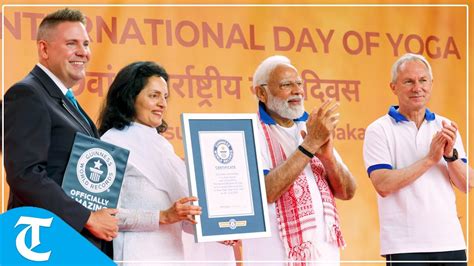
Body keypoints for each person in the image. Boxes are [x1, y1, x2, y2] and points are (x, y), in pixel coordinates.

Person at [4, 8, 118, 257]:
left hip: (76, 242)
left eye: (86, 44)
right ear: (44, 49)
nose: (83, 52)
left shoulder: (63, 100)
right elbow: (25, 174)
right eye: (71, 43)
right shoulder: (27, 94)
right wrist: (87, 217)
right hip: (44, 243)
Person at [98, 61, 235, 263]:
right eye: (154, 96)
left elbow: (181, 214)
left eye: (165, 96)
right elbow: (104, 217)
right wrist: (162, 216)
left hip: (174, 255)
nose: (163, 103)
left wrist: (216, 228)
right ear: (129, 98)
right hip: (136, 256)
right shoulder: (110, 144)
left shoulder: (163, 146)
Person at [243, 55, 357, 264]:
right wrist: (310, 145)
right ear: (261, 92)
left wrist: (328, 158)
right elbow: (266, 192)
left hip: (325, 257)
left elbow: (348, 192)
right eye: (287, 84)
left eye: (299, 84)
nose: (297, 91)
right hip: (275, 257)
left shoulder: (309, 127)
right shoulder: (249, 131)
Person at [363, 53, 473, 265]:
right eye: (408, 82)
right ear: (393, 87)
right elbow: (383, 185)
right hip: (405, 246)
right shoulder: (378, 130)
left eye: (423, 80)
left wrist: (451, 157)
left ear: (431, 84)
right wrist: (430, 160)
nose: (417, 88)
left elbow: (467, 183)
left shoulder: (446, 126)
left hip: (450, 243)